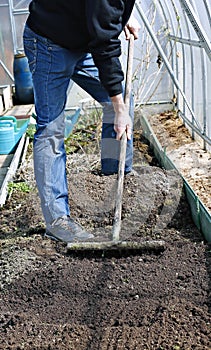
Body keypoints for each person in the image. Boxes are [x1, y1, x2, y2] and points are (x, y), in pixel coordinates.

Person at [23, 0, 140, 243]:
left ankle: (113, 173)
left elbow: (101, 10)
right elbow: (105, 43)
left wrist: (120, 17)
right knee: (51, 128)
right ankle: (57, 221)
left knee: (119, 99)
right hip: (48, 42)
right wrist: (119, 108)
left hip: (82, 39)